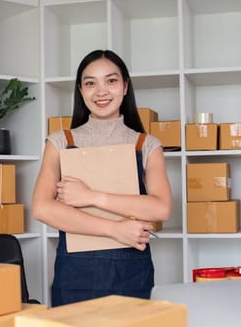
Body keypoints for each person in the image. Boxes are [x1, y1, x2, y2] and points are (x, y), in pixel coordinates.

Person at [32, 49, 172, 307]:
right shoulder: (60, 142)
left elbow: (160, 208)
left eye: (111, 80)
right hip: (75, 274)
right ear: (80, 90)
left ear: (125, 86)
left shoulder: (147, 145)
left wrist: (90, 197)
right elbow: (41, 207)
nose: (101, 91)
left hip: (131, 273)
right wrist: (115, 229)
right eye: (90, 83)